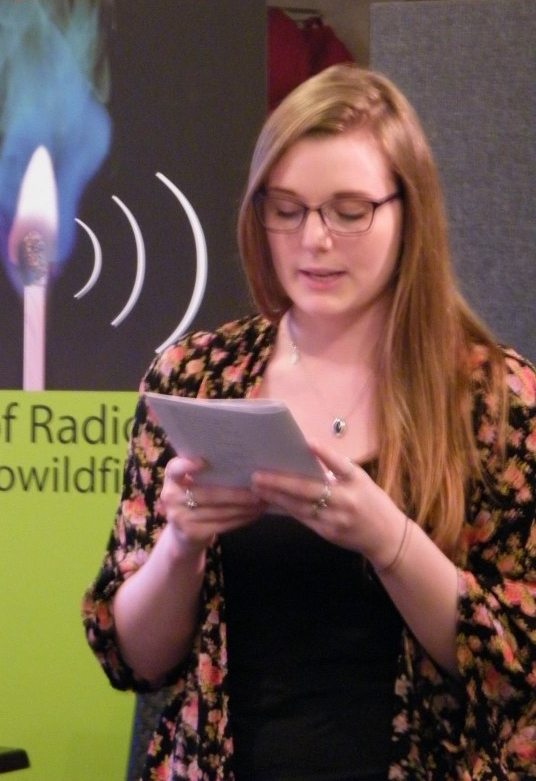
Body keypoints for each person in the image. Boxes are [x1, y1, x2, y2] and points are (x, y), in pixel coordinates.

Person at [81, 64, 536, 781]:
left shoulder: (492, 399)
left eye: (348, 210)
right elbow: (130, 659)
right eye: (286, 208)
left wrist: (386, 538)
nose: (313, 240)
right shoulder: (196, 378)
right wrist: (181, 546)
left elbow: (516, 668)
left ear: (407, 212)